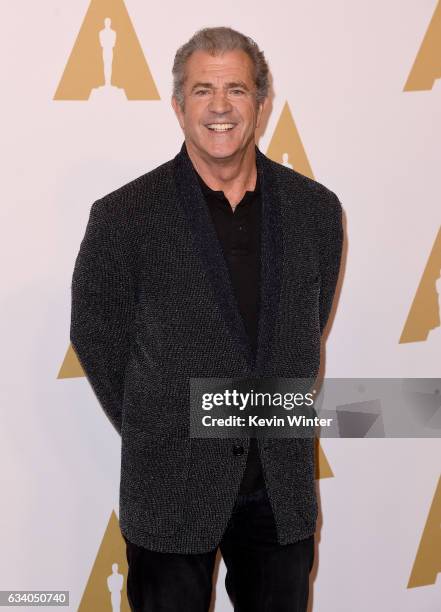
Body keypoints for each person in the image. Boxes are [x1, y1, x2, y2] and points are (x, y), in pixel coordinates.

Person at [70, 26, 344, 612]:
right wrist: (160, 423)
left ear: (262, 104)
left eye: (237, 89)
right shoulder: (123, 218)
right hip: (169, 487)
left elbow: (304, 330)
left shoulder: (315, 212)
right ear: (177, 106)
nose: (220, 106)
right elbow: (95, 335)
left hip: (280, 488)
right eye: (202, 90)